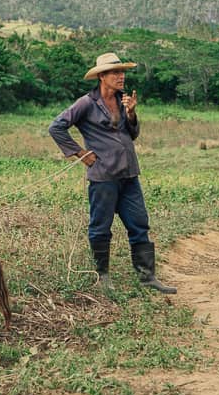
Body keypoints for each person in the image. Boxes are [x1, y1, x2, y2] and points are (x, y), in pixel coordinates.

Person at [48, 52, 176, 294]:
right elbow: (56, 127)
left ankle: (148, 277)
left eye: (122, 72)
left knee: (139, 224)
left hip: (128, 174)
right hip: (103, 177)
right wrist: (81, 154)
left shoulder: (123, 100)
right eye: (116, 72)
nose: (121, 76)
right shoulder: (86, 103)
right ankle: (103, 277)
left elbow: (132, 134)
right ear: (102, 76)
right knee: (100, 227)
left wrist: (131, 114)